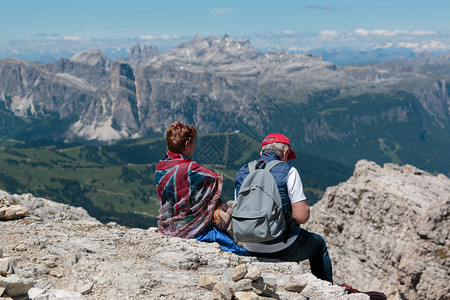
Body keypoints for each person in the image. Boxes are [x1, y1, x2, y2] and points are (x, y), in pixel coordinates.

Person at [234, 133, 333, 283]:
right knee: (318, 244)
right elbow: (301, 217)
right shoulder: (289, 171)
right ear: (285, 152)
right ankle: (327, 290)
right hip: (280, 246)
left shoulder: (242, 172)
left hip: (249, 244)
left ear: (261, 152)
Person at [155, 122, 246, 255]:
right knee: (236, 250)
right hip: (191, 228)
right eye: (193, 143)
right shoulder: (191, 168)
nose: (194, 146)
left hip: (167, 226)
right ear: (187, 144)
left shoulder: (160, 165)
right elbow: (214, 178)